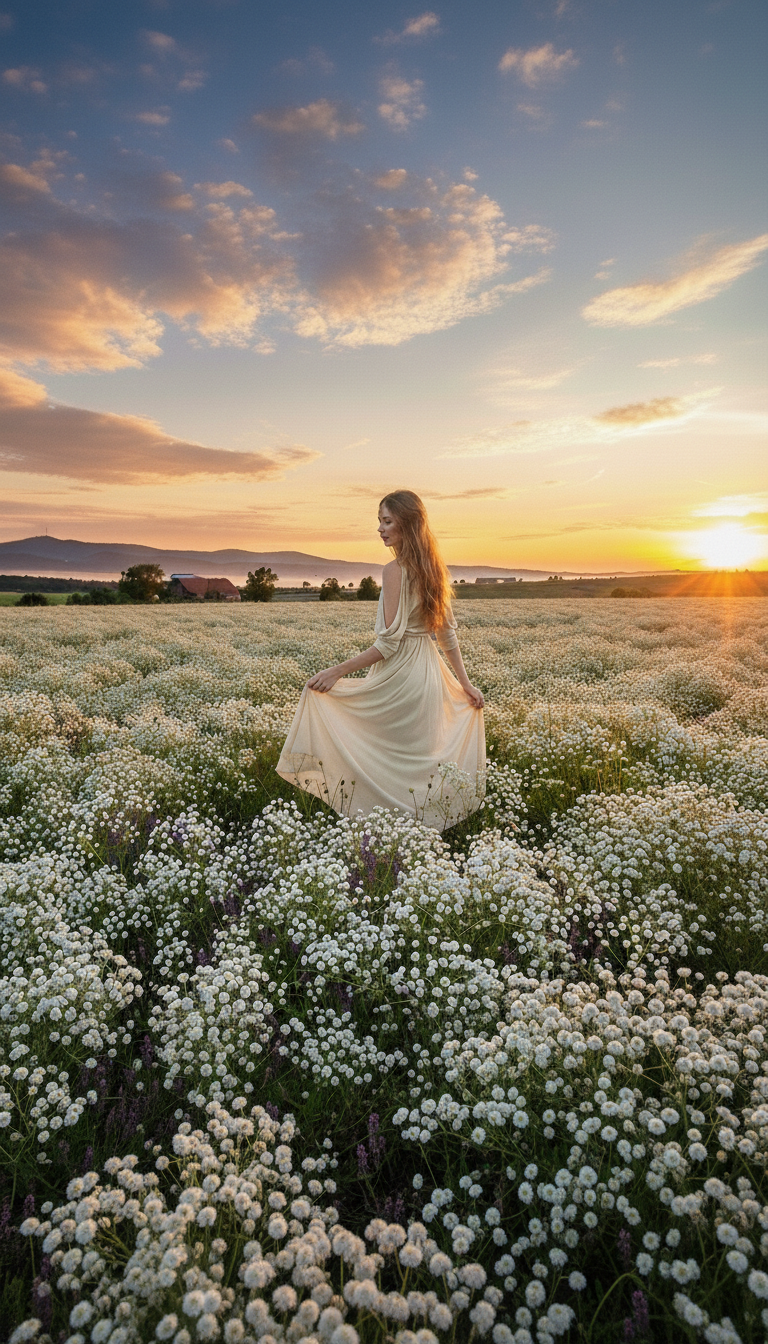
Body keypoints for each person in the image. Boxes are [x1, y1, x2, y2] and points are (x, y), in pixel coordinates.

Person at [276, 490, 486, 829]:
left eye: (387, 522)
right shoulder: (436, 569)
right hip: (429, 678)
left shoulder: (394, 570)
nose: (380, 529)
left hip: (399, 680)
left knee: (383, 762)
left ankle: (388, 839)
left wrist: (337, 671)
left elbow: (388, 645)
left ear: (408, 524)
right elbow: (446, 635)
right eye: (380, 522)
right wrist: (465, 684)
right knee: (419, 769)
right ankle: (423, 838)